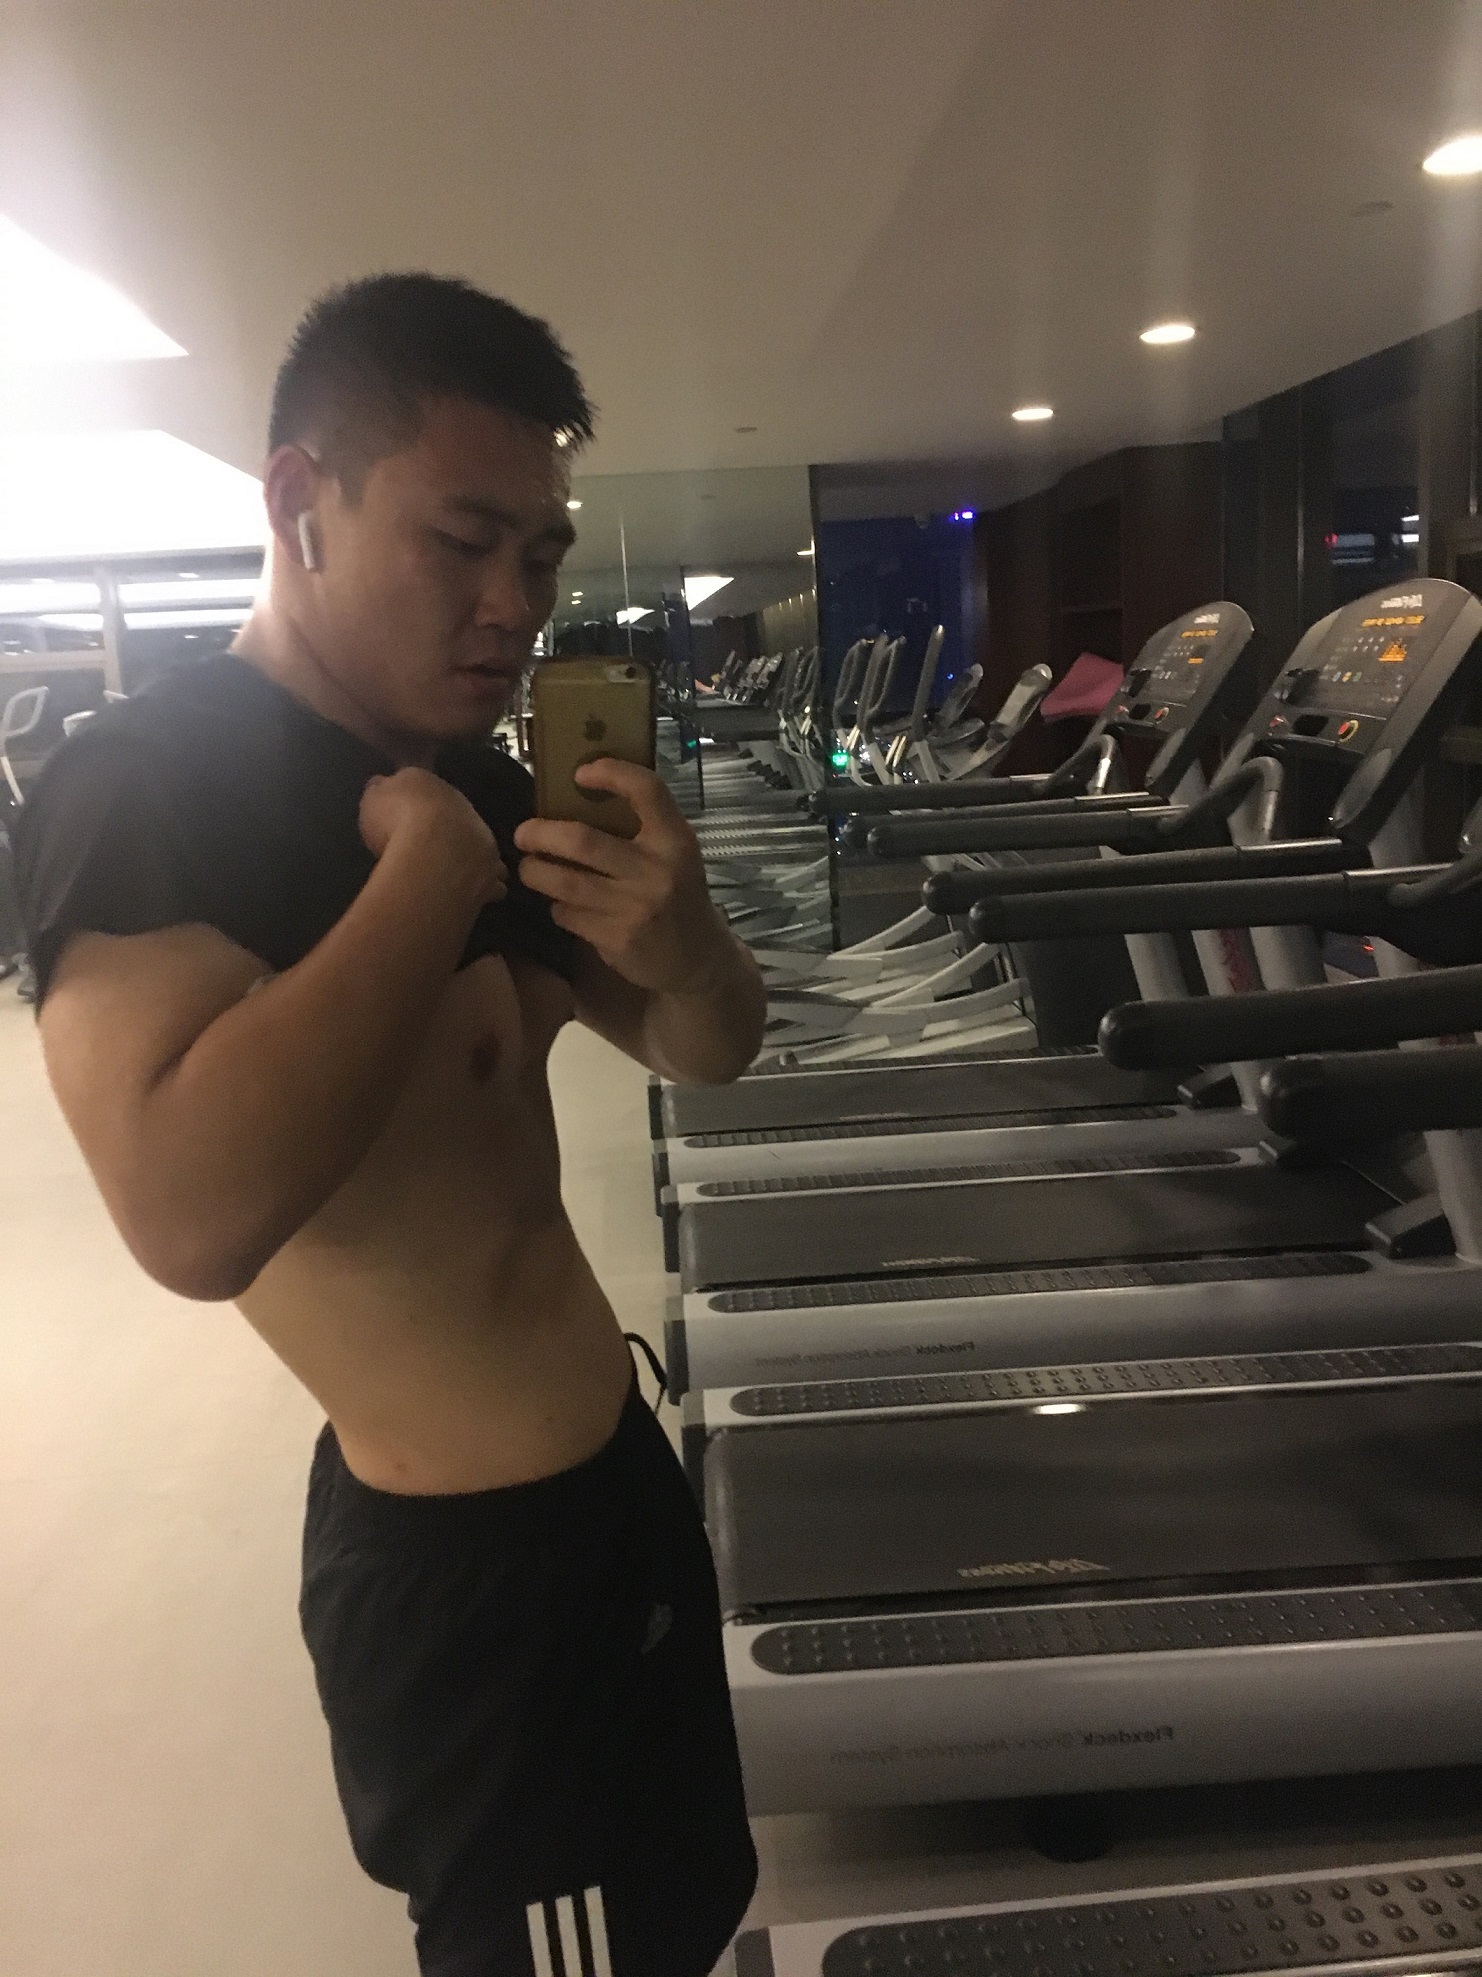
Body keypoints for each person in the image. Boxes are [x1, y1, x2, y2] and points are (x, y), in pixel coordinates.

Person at [15, 273, 766, 1977]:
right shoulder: (146, 788)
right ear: (300, 499)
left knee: (684, 1909)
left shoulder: (490, 776)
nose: (513, 603)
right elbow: (188, 1217)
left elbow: (707, 1047)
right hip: (475, 1575)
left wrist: (687, 940)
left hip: (613, 1487)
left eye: (542, 555)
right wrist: (424, 880)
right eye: (462, 540)